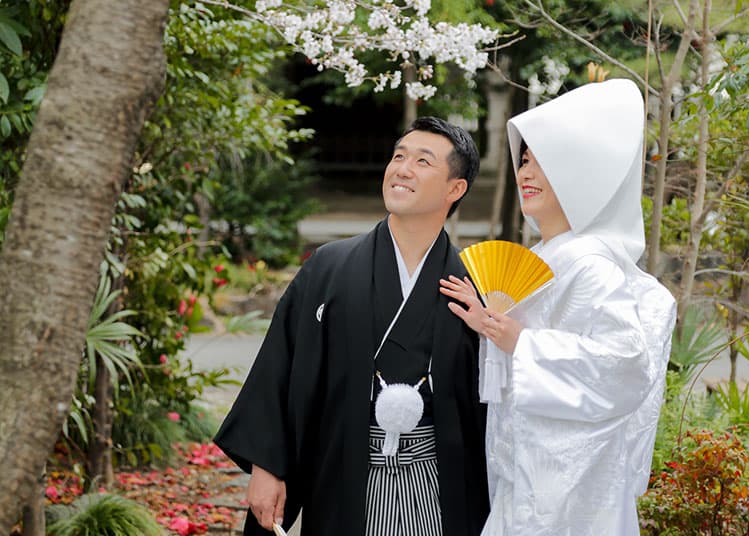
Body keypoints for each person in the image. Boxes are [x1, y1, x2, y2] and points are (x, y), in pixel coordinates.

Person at [215, 116, 490, 536]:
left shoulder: (477, 283)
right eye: (398, 156)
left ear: (455, 188)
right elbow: (279, 369)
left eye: (422, 161)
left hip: (441, 478)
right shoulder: (330, 267)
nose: (402, 168)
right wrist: (266, 465)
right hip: (346, 472)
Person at [440, 78, 676, 536]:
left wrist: (521, 342)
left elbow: (626, 364)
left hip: (574, 482)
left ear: (578, 172)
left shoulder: (591, 267)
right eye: (523, 160)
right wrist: (490, 325)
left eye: (541, 162)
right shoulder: (547, 259)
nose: (525, 173)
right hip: (528, 468)